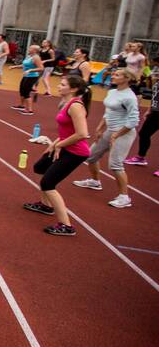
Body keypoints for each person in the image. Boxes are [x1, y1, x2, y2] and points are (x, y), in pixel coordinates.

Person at [23, 76, 91, 236]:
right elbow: (68, 130)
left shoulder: (75, 106)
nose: (58, 86)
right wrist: (54, 143)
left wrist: (59, 145)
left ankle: (66, 225)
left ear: (73, 89)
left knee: (48, 183)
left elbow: (82, 134)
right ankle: (46, 205)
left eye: (62, 84)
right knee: (40, 167)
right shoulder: (65, 103)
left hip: (75, 152)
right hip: (63, 145)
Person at [73, 68, 140, 209]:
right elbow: (108, 112)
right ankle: (95, 181)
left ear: (127, 79)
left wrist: (117, 134)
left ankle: (124, 197)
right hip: (109, 130)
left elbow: (133, 121)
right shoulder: (112, 92)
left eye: (117, 75)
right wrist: (100, 127)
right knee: (90, 156)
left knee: (116, 165)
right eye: (113, 74)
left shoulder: (130, 97)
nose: (113, 76)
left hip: (123, 133)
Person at [125, 89, 157, 167]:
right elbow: (155, 96)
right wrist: (150, 109)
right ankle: (140, 157)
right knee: (144, 133)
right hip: (156, 112)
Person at [10, 45, 42, 115]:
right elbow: (24, 65)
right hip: (25, 76)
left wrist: (30, 70)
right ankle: (21, 105)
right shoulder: (29, 56)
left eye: (31, 48)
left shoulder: (36, 58)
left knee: (26, 92)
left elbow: (41, 68)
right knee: (22, 90)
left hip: (32, 77)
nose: (29, 49)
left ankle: (30, 110)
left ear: (35, 50)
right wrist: (15, 66)